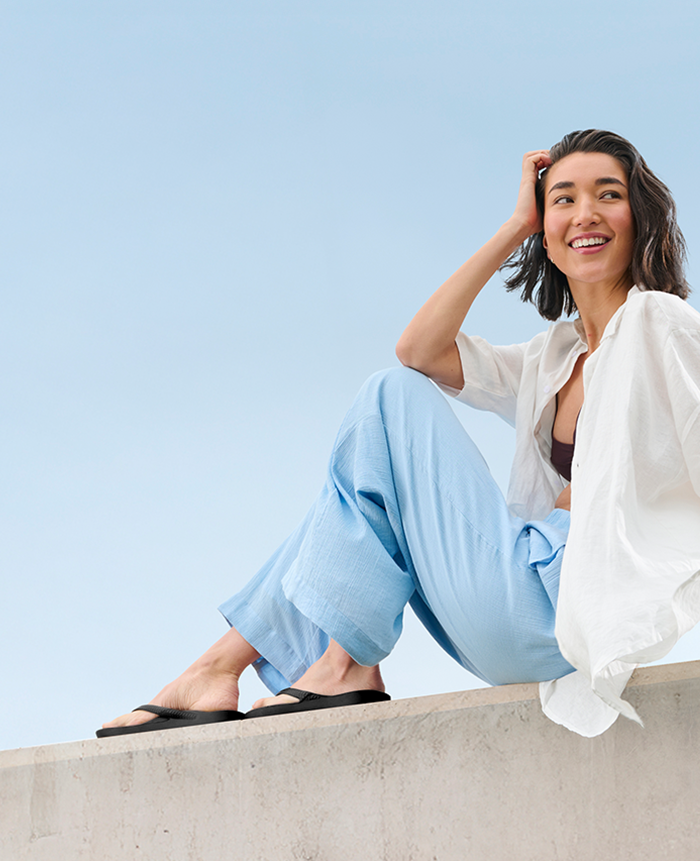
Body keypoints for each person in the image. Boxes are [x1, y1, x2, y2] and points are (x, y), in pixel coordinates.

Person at [98, 130, 700, 740]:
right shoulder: (553, 358)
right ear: (544, 227)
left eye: (609, 194)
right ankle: (253, 666)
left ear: (638, 215)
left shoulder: (660, 322)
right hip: (515, 608)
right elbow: (420, 349)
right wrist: (514, 226)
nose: (586, 213)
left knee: (389, 402)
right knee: (370, 467)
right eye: (563, 199)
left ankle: (312, 664)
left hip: (561, 600)